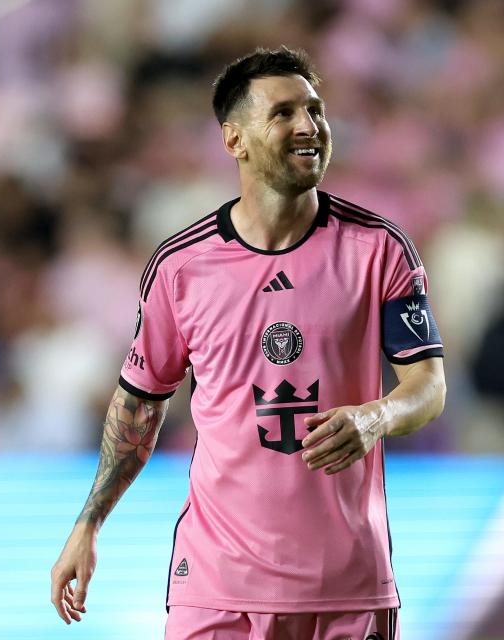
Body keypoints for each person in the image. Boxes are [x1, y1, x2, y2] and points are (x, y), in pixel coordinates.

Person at [50, 46, 446, 640]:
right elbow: (139, 403)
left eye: (315, 110)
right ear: (234, 140)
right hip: (215, 587)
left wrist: (377, 416)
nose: (309, 126)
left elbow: (428, 385)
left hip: (346, 588)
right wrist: (88, 525)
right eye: (283, 113)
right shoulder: (182, 267)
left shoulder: (379, 249)